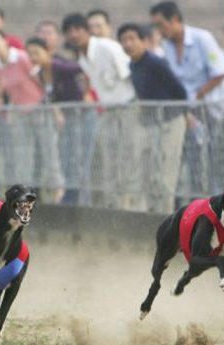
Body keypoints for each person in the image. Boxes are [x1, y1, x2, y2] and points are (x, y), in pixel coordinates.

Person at [150, 1, 224, 202]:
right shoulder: (166, 46)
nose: (159, 31)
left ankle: (215, 208)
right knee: (188, 163)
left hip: (208, 111)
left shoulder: (202, 38)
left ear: (175, 19)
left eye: (161, 25)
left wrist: (197, 97)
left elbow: (220, 72)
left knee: (212, 165)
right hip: (185, 114)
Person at [62, 13, 138, 209]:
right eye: (69, 31)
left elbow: (131, 74)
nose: (73, 35)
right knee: (108, 162)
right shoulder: (82, 58)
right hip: (108, 112)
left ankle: (131, 206)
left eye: (77, 30)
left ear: (87, 31)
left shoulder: (108, 47)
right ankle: (114, 207)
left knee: (129, 160)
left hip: (129, 108)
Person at [0, 29, 64, 202]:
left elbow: (42, 82)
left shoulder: (22, 58)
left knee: (48, 152)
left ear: (5, 41)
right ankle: (26, 195)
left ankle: (57, 192)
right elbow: (8, 91)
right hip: (20, 115)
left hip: (40, 111)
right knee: (23, 156)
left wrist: (55, 109)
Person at [118, 23, 188, 213]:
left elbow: (179, 91)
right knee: (147, 171)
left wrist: (184, 114)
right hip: (149, 123)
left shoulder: (156, 62)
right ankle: (147, 214)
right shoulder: (132, 65)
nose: (128, 44)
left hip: (170, 122)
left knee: (166, 172)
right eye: (123, 40)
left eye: (132, 39)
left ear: (144, 41)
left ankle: (165, 215)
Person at [25, 37, 87, 205]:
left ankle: (77, 196)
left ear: (48, 52)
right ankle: (67, 194)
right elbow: (51, 96)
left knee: (76, 156)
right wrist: (57, 110)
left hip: (79, 115)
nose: (33, 57)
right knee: (65, 156)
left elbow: (82, 69)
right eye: (30, 54)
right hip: (64, 120)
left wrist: (86, 94)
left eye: (37, 53)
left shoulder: (59, 66)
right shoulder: (40, 74)